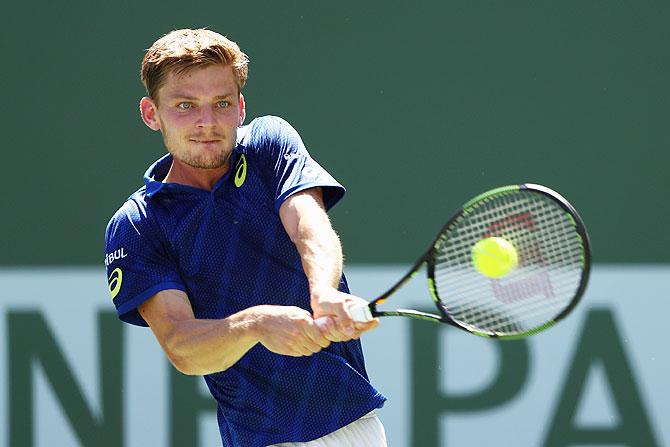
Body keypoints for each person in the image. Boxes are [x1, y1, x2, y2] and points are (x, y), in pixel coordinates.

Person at [104, 28, 387, 446]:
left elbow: (307, 221)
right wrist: (255, 325)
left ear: (239, 108)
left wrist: (324, 291)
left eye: (220, 104)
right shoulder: (138, 224)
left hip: (351, 429)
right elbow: (182, 346)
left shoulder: (269, 144)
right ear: (151, 114)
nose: (206, 122)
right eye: (185, 105)